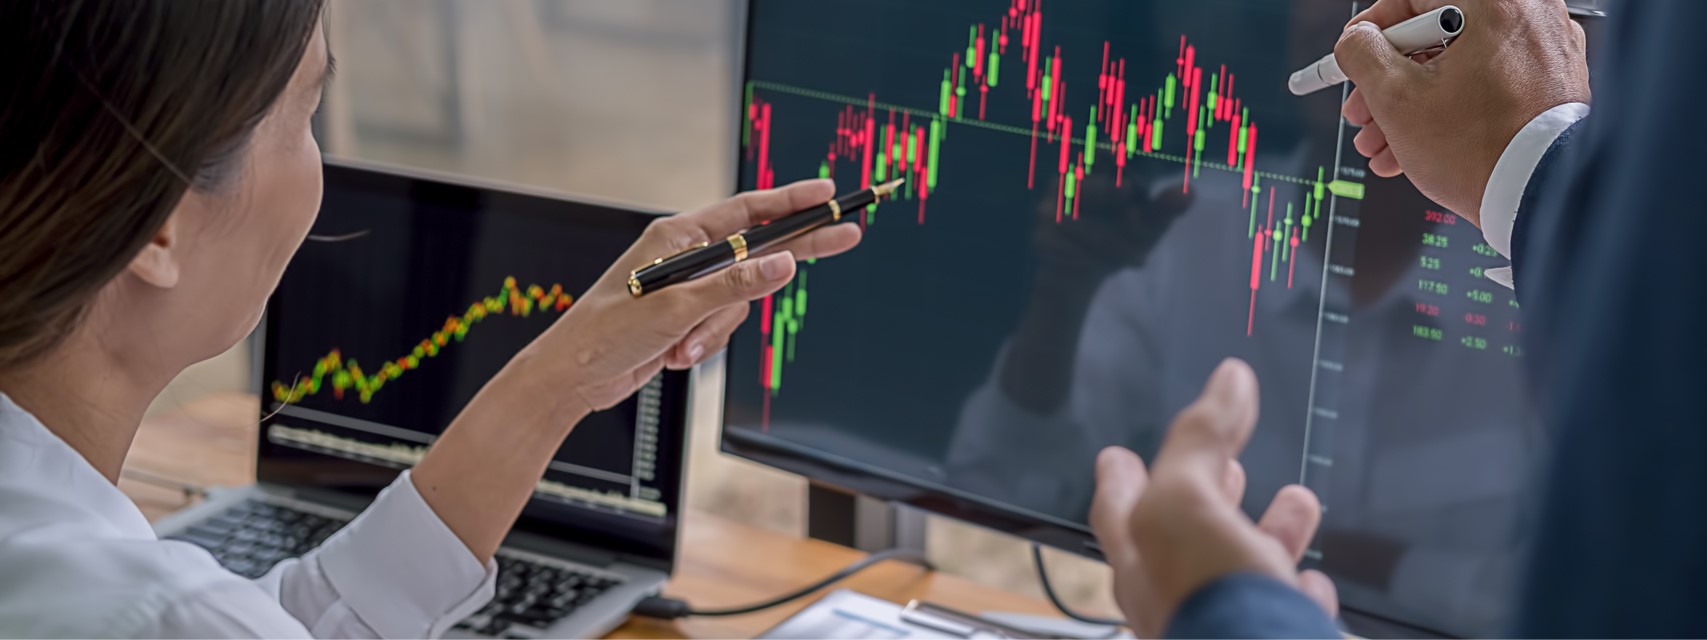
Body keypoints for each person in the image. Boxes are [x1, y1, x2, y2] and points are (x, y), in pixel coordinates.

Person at [0, 2, 859, 637]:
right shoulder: (159, 615)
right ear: (161, 228)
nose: (322, 167)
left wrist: (565, 372)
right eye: (305, 116)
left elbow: (283, 625)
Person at [1088, 0, 1707, 637]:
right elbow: (997, 467)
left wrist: (1226, 608)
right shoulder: (1184, 228)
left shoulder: (1546, 293)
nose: (1346, 19)